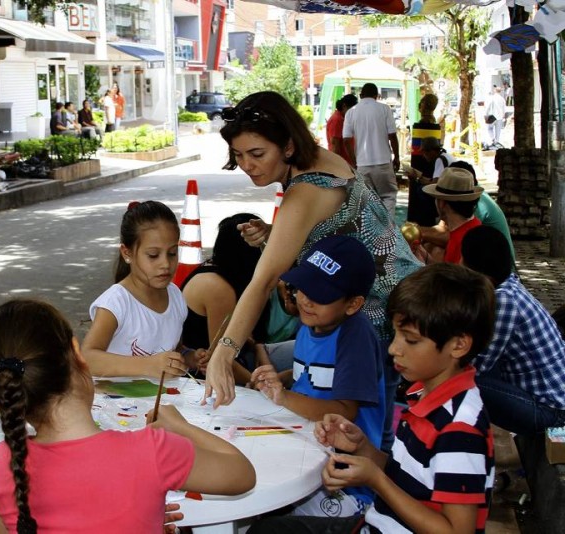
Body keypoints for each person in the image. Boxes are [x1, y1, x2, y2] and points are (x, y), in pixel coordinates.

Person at [206, 91, 421, 453]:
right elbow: (338, 230)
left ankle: (372, 499)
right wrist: (276, 236)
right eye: (239, 155)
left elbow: (262, 283)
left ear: (288, 146)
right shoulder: (322, 160)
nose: (247, 165)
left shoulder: (304, 191)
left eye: (257, 154)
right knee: (376, 419)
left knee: (369, 429)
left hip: (377, 313)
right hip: (397, 298)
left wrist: (223, 354)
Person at [0, 299, 256, 533]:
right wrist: (181, 427)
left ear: (0, 399)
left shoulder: (6, 460)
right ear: (78, 354)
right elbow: (242, 474)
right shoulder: (152, 450)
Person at [249, 262, 496, 534]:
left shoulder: (460, 427)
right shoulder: (425, 396)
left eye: (410, 340)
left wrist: (377, 481)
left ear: (458, 345)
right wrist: (361, 448)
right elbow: (410, 477)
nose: (393, 349)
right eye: (395, 334)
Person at [250, 235, 385, 519]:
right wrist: (281, 379)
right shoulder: (313, 322)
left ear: (353, 304)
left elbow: (344, 411)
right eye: (303, 288)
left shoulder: (354, 335)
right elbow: (310, 375)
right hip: (307, 449)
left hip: (344, 481)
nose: (306, 300)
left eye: (321, 295)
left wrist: (283, 396)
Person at [461, 226, 565, 434]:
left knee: (460, 384)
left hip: (552, 412)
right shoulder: (510, 285)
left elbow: (477, 363)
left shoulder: (504, 301)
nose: (459, 265)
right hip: (547, 398)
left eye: (463, 262)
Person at [82, 201, 198, 378]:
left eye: (172, 253)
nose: (165, 264)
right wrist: (149, 365)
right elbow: (88, 358)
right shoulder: (116, 302)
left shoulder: (175, 295)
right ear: (127, 253)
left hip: (164, 400)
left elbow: (173, 348)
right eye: (153, 255)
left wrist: (189, 357)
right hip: (117, 403)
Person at [180, 213, 271, 383]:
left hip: (236, 359)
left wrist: (258, 348)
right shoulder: (218, 288)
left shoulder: (221, 272)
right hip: (203, 377)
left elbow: (244, 335)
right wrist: (262, 386)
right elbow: (221, 359)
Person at [416, 161, 516, 263]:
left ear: (441, 203)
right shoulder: (468, 226)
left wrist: (418, 232)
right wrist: (425, 255)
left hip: (502, 270)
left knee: (436, 249)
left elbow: (453, 276)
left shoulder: (465, 241)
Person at [342, 83, 401, 217]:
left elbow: (346, 139)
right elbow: (392, 135)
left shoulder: (351, 112)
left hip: (362, 164)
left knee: (366, 201)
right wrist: (396, 157)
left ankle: (370, 233)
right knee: (388, 197)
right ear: (377, 96)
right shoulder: (385, 109)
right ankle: (388, 231)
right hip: (384, 163)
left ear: (361, 95)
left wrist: (354, 161)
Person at [414, 167, 483, 265]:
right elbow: (448, 271)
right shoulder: (472, 226)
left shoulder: (462, 241)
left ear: (441, 203)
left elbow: (452, 278)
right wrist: (425, 256)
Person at [405, 136, 454, 226]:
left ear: (431, 151)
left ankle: (426, 222)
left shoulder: (440, 160)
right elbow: (435, 180)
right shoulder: (445, 156)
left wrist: (416, 179)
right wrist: (420, 178)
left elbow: (436, 183)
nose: (424, 156)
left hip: (447, 191)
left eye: (424, 153)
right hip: (449, 187)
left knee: (420, 191)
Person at [325, 94, 357, 165]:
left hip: (346, 163)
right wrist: (337, 165)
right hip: (342, 164)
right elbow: (335, 144)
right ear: (344, 106)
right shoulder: (337, 120)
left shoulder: (342, 119)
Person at [484, 85, 506, 150]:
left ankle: (493, 139)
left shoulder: (492, 98)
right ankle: (496, 142)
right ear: (500, 92)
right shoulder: (502, 99)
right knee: (498, 130)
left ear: (494, 91)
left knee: (489, 128)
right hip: (500, 117)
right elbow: (504, 108)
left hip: (492, 116)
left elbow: (488, 106)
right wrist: (503, 116)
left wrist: (486, 113)